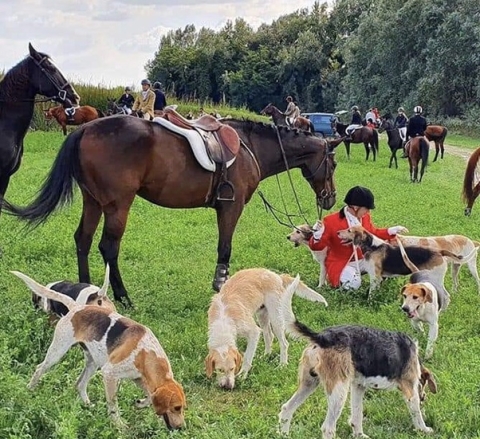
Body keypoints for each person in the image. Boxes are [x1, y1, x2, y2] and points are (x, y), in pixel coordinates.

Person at [308, 186, 408, 290]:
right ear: (355, 207)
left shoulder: (365, 217)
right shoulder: (330, 221)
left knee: (387, 262)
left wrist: (390, 231)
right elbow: (317, 247)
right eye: (366, 209)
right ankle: (337, 278)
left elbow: (372, 233)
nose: (368, 212)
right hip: (342, 262)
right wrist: (317, 235)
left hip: (363, 259)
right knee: (354, 284)